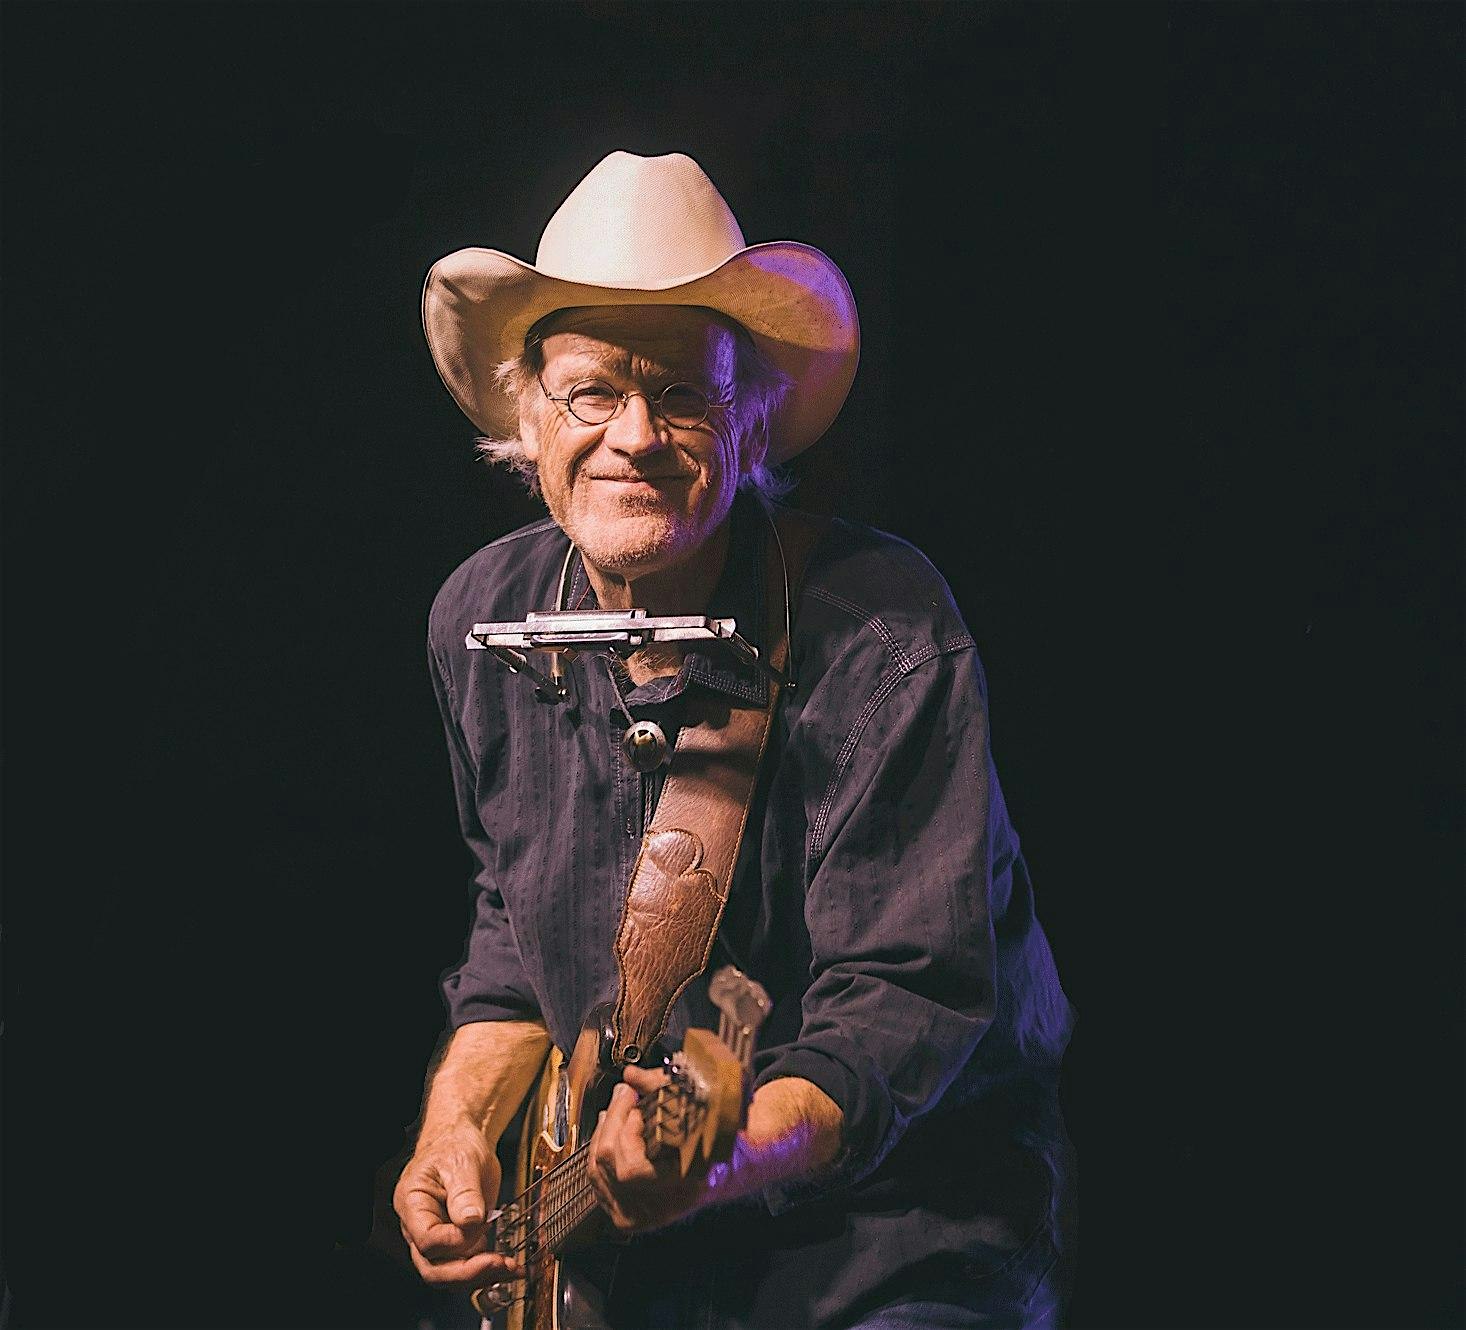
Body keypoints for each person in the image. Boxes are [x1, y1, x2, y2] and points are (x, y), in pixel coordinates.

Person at [394, 151, 1075, 1329]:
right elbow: (515, 929)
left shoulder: (882, 628)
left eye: (685, 395)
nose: (635, 437)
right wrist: (453, 1132)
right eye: (592, 393)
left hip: (889, 1238)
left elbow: (902, 1000)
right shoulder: (477, 618)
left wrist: (716, 1158)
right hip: (636, 1260)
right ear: (528, 413)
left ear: (751, 417)